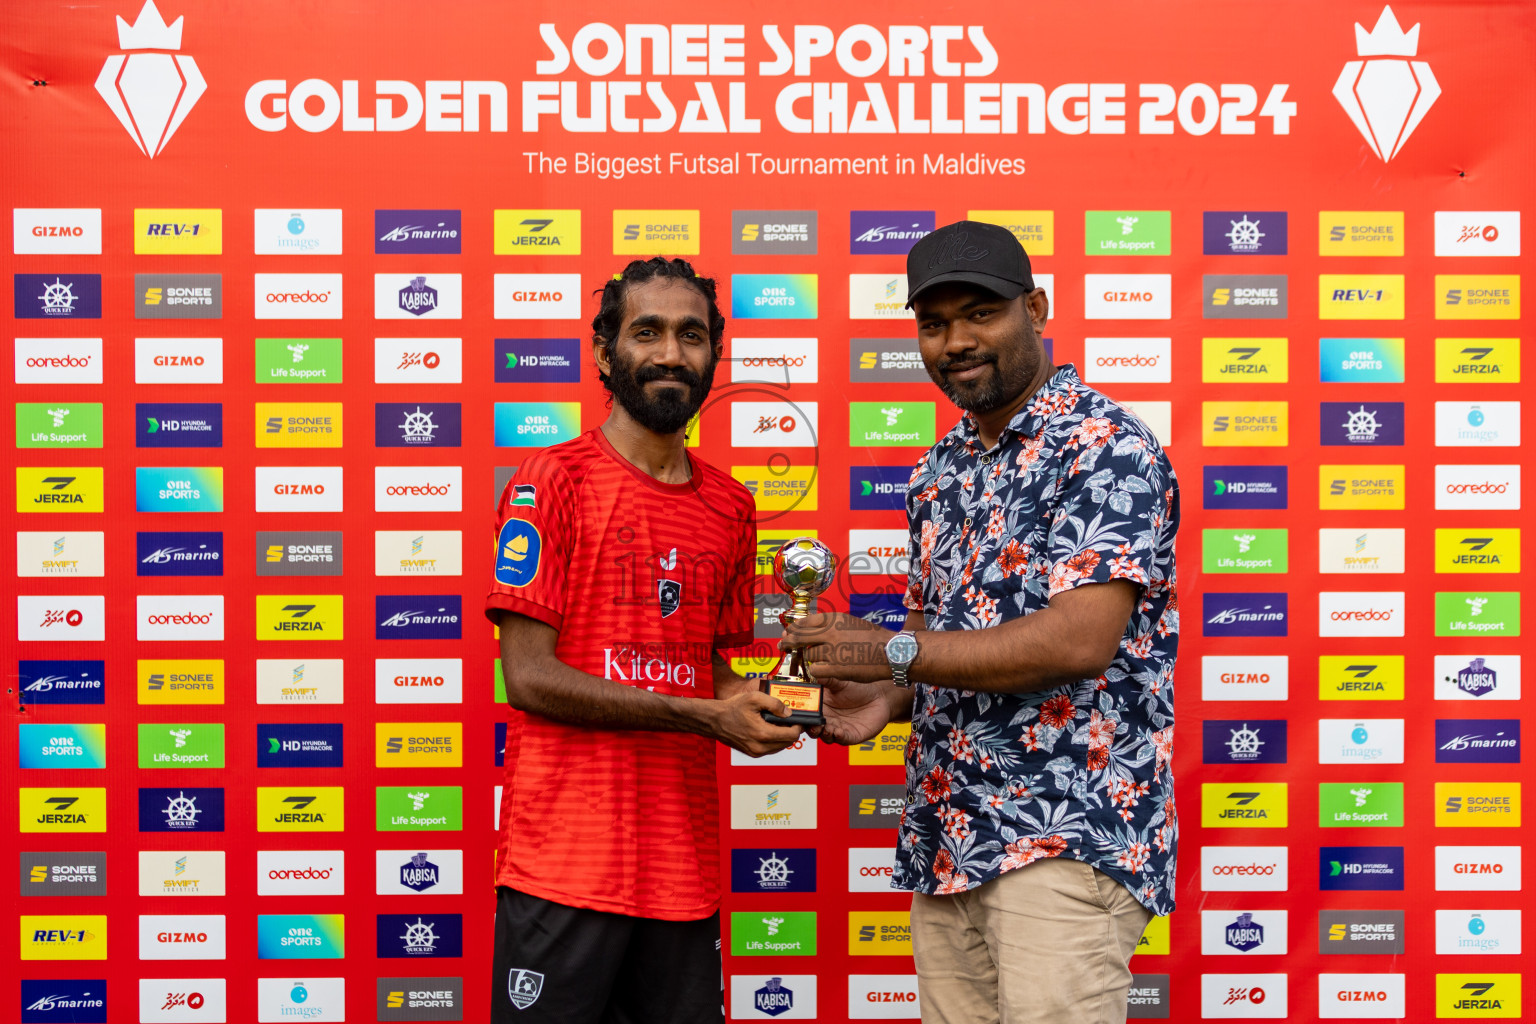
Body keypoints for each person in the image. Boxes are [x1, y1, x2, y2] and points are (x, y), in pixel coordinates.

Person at [788, 221, 1179, 1024]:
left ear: (1035, 308)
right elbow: (939, 640)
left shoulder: (1105, 446)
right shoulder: (937, 472)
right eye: (933, 324)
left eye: (980, 313)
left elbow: (1079, 639)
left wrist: (891, 649)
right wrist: (885, 697)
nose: (956, 341)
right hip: (950, 836)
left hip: (1064, 837)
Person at [484, 256, 803, 1023]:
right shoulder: (550, 480)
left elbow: (713, 669)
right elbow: (528, 678)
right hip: (563, 870)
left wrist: (776, 702)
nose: (670, 354)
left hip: (681, 877)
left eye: (691, 335)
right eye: (647, 332)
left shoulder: (731, 505)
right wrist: (700, 715)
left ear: (714, 356)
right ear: (604, 353)